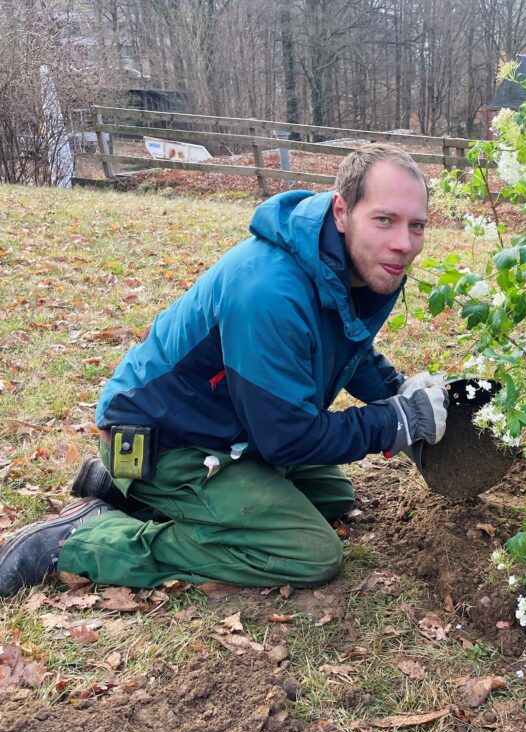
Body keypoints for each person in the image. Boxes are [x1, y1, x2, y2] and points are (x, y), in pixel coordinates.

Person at [0, 144, 448, 597]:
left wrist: (396, 388)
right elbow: (287, 438)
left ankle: (128, 491)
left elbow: (346, 340)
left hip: (224, 429)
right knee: (309, 552)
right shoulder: (269, 290)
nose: (403, 243)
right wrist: (396, 420)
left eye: (417, 226)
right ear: (340, 211)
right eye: (384, 220)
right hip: (162, 436)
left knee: (333, 494)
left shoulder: (350, 262)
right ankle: (80, 542)